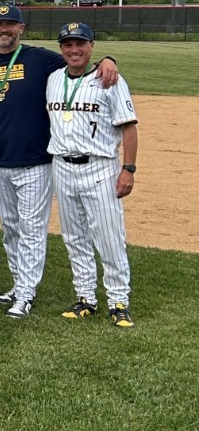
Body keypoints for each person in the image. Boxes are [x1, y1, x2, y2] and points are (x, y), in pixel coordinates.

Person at [0, 5, 118, 318]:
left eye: (10, 24)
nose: (4, 30)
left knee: (31, 229)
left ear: (22, 28)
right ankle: (18, 283)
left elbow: (79, 62)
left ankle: (27, 293)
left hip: (36, 160)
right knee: (12, 229)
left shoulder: (40, 58)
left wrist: (109, 60)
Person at [47, 22, 138, 328]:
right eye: (68, 44)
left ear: (92, 46)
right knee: (75, 237)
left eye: (80, 43)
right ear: (61, 48)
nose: (74, 49)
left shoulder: (109, 79)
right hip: (62, 165)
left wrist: (128, 168)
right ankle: (85, 296)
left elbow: (128, 126)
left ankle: (118, 300)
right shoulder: (54, 79)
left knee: (109, 236)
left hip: (100, 166)